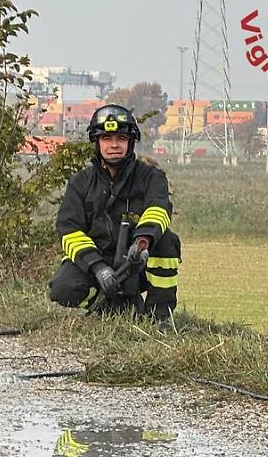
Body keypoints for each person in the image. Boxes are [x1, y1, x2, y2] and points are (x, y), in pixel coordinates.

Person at [48, 104, 180, 324]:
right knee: (62, 290)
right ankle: (105, 306)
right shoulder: (81, 183)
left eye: (120, 138)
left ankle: (160, 317)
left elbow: (158, 210)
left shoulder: (151, 177)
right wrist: (97, 267)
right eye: (107, 139)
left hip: (137, 259)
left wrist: (142, 243)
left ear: (130, 142)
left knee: (167, 240)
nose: (114, 145)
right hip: (96, 260)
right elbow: (69, 230)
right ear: (97, 142)